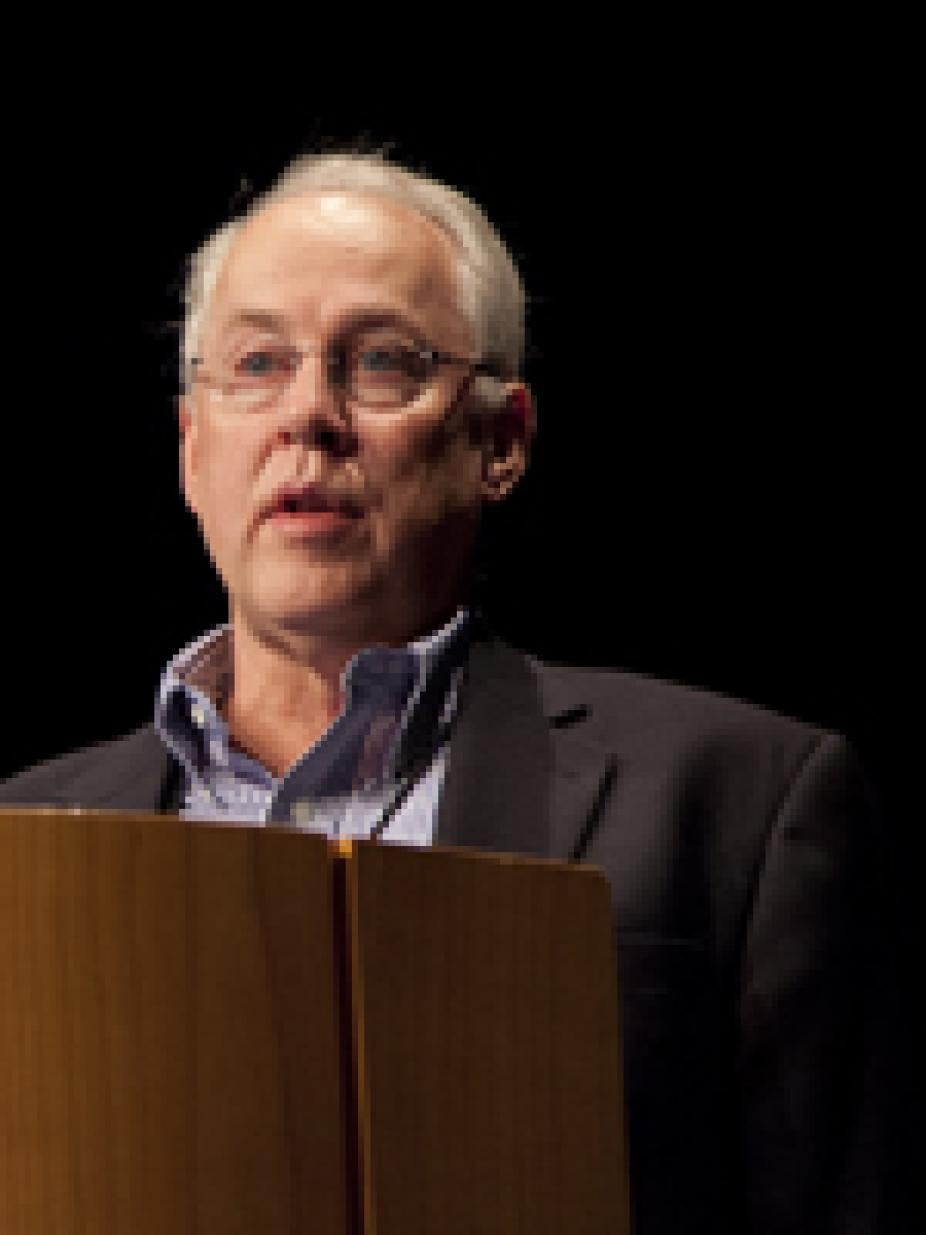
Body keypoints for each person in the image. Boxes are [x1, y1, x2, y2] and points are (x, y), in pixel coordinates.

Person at [0, 150, 905, 1234]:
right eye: (257, 362)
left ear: (499, 441)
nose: (308, 414)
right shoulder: (21, 841)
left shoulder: (737, 804)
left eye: (380, 361)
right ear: (194, 449)